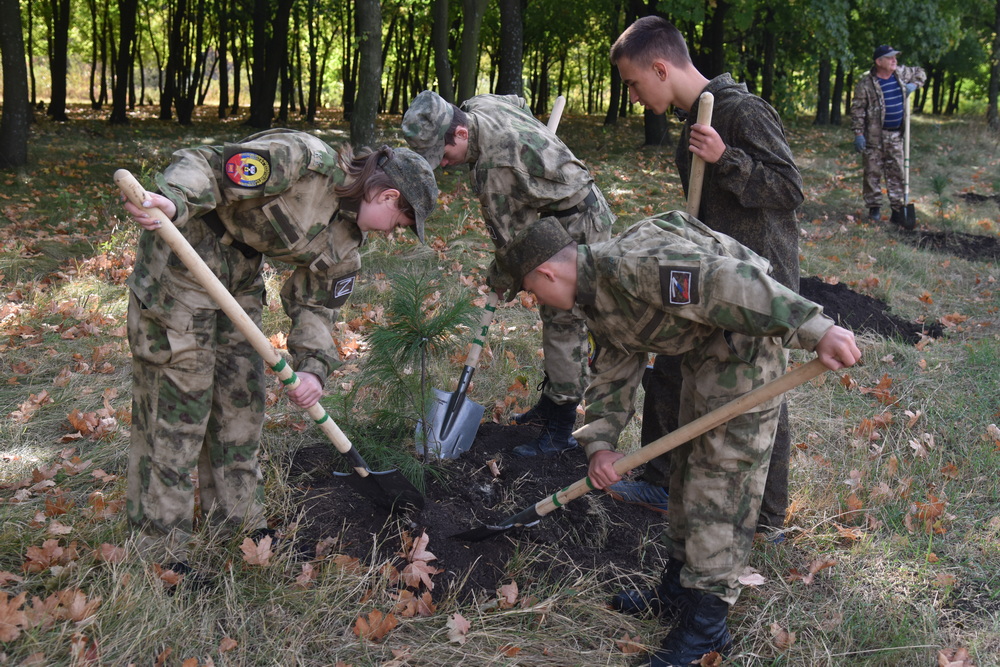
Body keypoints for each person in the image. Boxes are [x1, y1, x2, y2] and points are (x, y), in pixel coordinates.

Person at [496, 213, 862, 667]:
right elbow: (613, 366)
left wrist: (814, 328)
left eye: (533, 291)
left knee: (720, 483)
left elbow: (733, 284)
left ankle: (706, 629)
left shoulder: (635, 265)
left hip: (745, 346)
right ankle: (676, 592)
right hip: (705, 353)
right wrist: (601, 444)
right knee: (688, 469)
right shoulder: (592, 296)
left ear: (547, 273)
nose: (538, 301)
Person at [121, 129, 437, 566]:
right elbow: (208, 163)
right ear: (387, 196)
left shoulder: (346, 242)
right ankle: (160, 551)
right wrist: (175, 200)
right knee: (177, 412)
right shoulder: (303, 162)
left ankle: (240, 525)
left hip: (239, 278)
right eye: (401, 222)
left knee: (241, 404)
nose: (395, 232)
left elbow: (317, 304)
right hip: (181, 262)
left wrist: (312, 368)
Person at [608, 15, 803, 531]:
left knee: (759, 390)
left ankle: (767, 516)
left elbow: (790, 190)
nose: (631, 96)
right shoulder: (689, 123)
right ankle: (660, 476)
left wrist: (727, 158)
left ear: (659, 66)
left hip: (761, 278)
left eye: (632, 83)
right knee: (670, 363)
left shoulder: (741, 112)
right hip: (711, 272)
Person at [401, 90, 616, 458]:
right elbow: (518, 101)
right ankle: (550, 405)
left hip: (578, 225)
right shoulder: (479, 106)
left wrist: (500, 279)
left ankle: (561, 428)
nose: (447, 165)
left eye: (446, 154)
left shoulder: (494, 170)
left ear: (461, 133)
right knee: (555, 318)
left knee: (563, 318)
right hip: (558, 210)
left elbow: (513, 247)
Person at [851, 45, 926, 225]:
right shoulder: (866, 84)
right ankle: (874, 209)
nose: (894, 60)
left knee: (897, 172)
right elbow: (857, 110)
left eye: (895, 57)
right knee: (872, 173)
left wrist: (913, 85)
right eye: (890, 57)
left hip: (895, 136)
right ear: (879, 62)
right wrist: (858, 134)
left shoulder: (900, 74)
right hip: (873, 137)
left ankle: (897, 210)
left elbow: (920, 72)